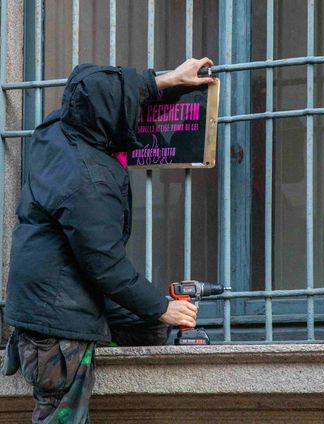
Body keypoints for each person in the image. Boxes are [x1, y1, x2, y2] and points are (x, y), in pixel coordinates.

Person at [0, 57, 215, 423]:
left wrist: (166, 81)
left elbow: (101, 94)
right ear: (111, 115)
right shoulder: (88, 179)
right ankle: (78, 351)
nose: (132, 111)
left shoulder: (55, 130)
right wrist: (163, 306)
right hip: (56, 326)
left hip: (56, 296)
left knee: (147, 324)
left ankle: (93, 340)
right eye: (126, 105)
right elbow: (105, 263)